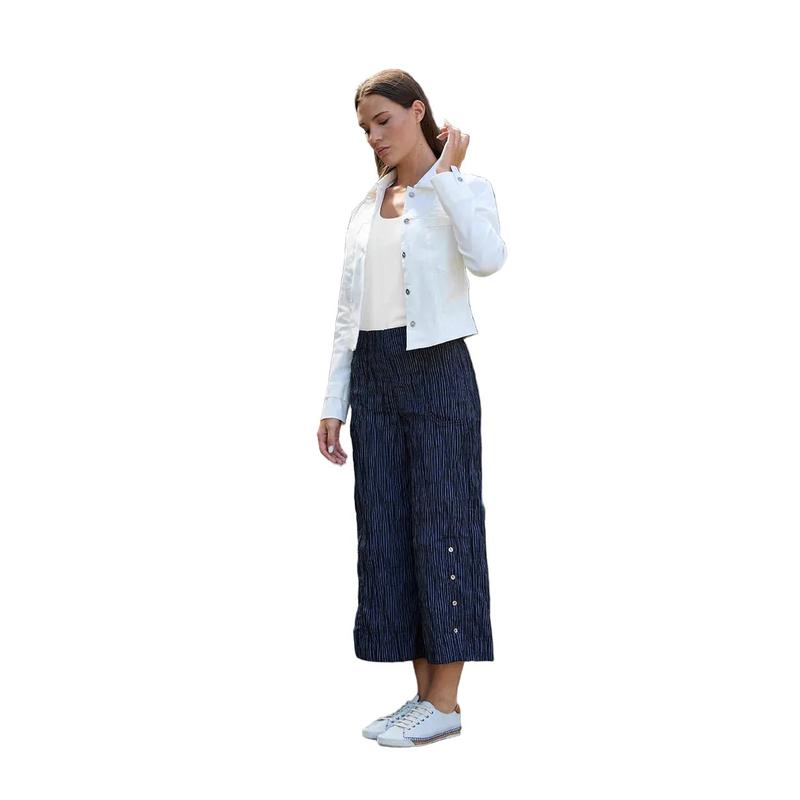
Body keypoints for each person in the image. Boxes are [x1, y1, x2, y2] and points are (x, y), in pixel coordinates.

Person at [316, 69, 507, 747]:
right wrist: (334, 401)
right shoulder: (365, 208)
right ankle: (423, 696)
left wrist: (447, 173)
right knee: (389, 532)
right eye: (364, 127)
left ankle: (447, 701)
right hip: (373, 376)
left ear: (417, 110)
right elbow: (349, 314)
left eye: (384, 120)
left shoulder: (462, 190)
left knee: (444, 526)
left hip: (435, 369)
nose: (374, 136)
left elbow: (488, 259)